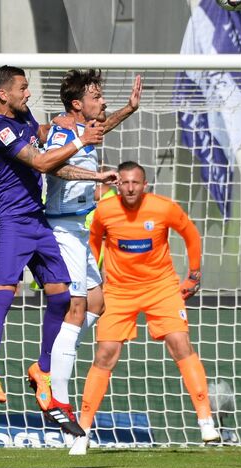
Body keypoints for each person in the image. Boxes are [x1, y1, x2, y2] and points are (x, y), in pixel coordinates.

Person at [0, 65, 118, 435]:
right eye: (23, 88)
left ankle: (42, 367)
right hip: (7, 221)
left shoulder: (23, 115)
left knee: (61, 296)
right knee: (4, 294)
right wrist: (81, 141)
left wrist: (86, 126)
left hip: (36, 220)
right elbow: (41, 161)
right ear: (3, 93)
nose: (28, 94)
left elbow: (49, 139)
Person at [69, 161, 219, 455]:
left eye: (135, 182)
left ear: (145, 184)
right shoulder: (105, 211)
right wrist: (92, 281)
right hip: (119, 290)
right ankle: (82, 432)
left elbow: (190, 234)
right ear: (117, 184)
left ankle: (205, 421)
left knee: (180, 343)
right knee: (105, 354)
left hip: (161, 288)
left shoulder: (164, 208)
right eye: (124, 182)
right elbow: (94, 242)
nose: (129, 188)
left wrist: (194, 273)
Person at [44, 69, 141, 424]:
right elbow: (56, 168)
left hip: (77, 231)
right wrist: (97, 176)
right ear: (77, 104)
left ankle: (56, 355)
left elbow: (100, 129)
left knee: (97, 304)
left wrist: (128, 109)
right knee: (77, 306)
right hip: (60, 228)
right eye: (96, 97)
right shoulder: (59, 132)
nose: (103, 102)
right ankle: (58, 398)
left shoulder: (84, 130)